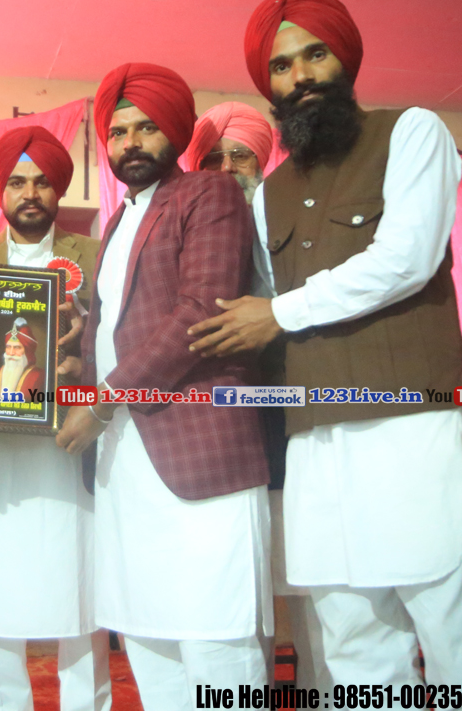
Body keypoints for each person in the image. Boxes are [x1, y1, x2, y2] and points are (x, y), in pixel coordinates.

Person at [188, 0, 462, 684]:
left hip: (413, 431)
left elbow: (406, 259)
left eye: (315, 55)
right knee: (355, 659)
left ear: (346, 58)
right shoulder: (270, 192)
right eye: (281, 66)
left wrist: (277, 314)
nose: (300, 76)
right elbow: (254, 307)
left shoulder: (412, 132)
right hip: (315, 448)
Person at [56, 63, 273, 701]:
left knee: (216, 643)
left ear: (175, 132)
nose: (130, 143)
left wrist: (101, 403)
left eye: (146, 127)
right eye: (118, 131)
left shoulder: (209, 194)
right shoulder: (118, 220)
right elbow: (110, 330)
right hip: (125, 464)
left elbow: (200, 312)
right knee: (147, 639)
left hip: (196, 452)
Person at [0, 125, 110, 711]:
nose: (30, 193)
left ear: (58, 188)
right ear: (1, 190)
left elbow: (119, 340)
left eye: (42, 182)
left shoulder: (95, 254)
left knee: (81, 588)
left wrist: (82, 360)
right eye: (17, 182)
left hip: (71, 445)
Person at [186, 101, 329, 688]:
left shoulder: (296, 215)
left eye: (239, 156)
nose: (225, 169)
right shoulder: (185, 230)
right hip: (219, 433)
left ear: (263, 160)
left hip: (298, 420)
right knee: (243, 594)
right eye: (213, 158)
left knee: (318, 588)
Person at [181, 101, 274, 203]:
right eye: (214, 159)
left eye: (240, 156)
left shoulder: (281, 210)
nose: (227, 167)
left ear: (259, 163)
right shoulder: (178, 211)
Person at [0, 318, 45, 396]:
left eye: (17, 347)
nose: (11, 353)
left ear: (27, 352)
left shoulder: (40, 376)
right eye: (8, 347)